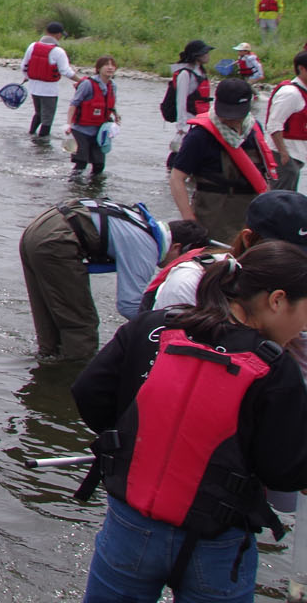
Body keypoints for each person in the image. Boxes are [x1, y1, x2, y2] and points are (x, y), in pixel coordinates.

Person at [71, 240, 307, 601]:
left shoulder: (153, 326)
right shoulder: (275, 367)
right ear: (276, 300)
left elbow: (88, 392)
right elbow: (283, 471)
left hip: (130, 527)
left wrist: (131, 441)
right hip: (217, 543)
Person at [18, 199, 165, 362]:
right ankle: (71, 378)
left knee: (48, 322)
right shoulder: (147, 245)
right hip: (58, 239)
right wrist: (161, 328)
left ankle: (45, 370)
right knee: (82, 327)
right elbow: (128, 306)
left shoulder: (139, 221)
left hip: (40, 227)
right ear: (177, 246)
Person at [147, 192, 307, 328]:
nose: (296, 263)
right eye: (283, 253)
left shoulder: (298, 287)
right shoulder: (190, 283)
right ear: (248, 239)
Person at [170, 78, 279, 245]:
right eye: (226, 113)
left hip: (249, 216)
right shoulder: (199, 135)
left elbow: (263, 174)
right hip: (212, 216)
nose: (230, 119)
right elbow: (177, 178)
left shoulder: (254, 129)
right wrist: (190, 222)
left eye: (236, 114)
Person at [22, 22, 80, 138]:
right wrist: (81, 80)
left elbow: (24, 66)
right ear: (58, 35)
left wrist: (28, 77)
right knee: (47, 119)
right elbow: (65, 71)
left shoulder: (32, 46)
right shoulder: (59, 51)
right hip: (49, 91)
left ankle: (31, 134)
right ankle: (42, 144)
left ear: (46, 33)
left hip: (34, 89)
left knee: (38, 113)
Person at [67, 57, 121, 177]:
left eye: (113, 65)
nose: (110, 67)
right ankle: (74, 189)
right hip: (80, 130)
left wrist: (116, 115)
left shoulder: (113, 86)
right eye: (106, 65)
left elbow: (110, 104)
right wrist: (68, 124)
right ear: (98, 68)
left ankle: (93, 193)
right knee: (81, 163)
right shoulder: (87, 84)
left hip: (99, 131)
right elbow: (74, 104)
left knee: (99, 166)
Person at [265, 50, 307, 192]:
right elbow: (273, 124)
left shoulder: (303, 91)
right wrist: (283, 153)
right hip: (283, 154)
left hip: (296, 153)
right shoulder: (290, 93)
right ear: (301, 68)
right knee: (281, 196)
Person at [166, 39, 215, 145]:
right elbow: (181, 101)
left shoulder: (200, 72)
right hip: (188, 123)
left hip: (201, 121)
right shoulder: (185, 74)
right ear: (196, 55)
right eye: (205, 52)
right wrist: (181, 127)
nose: (208, 55)